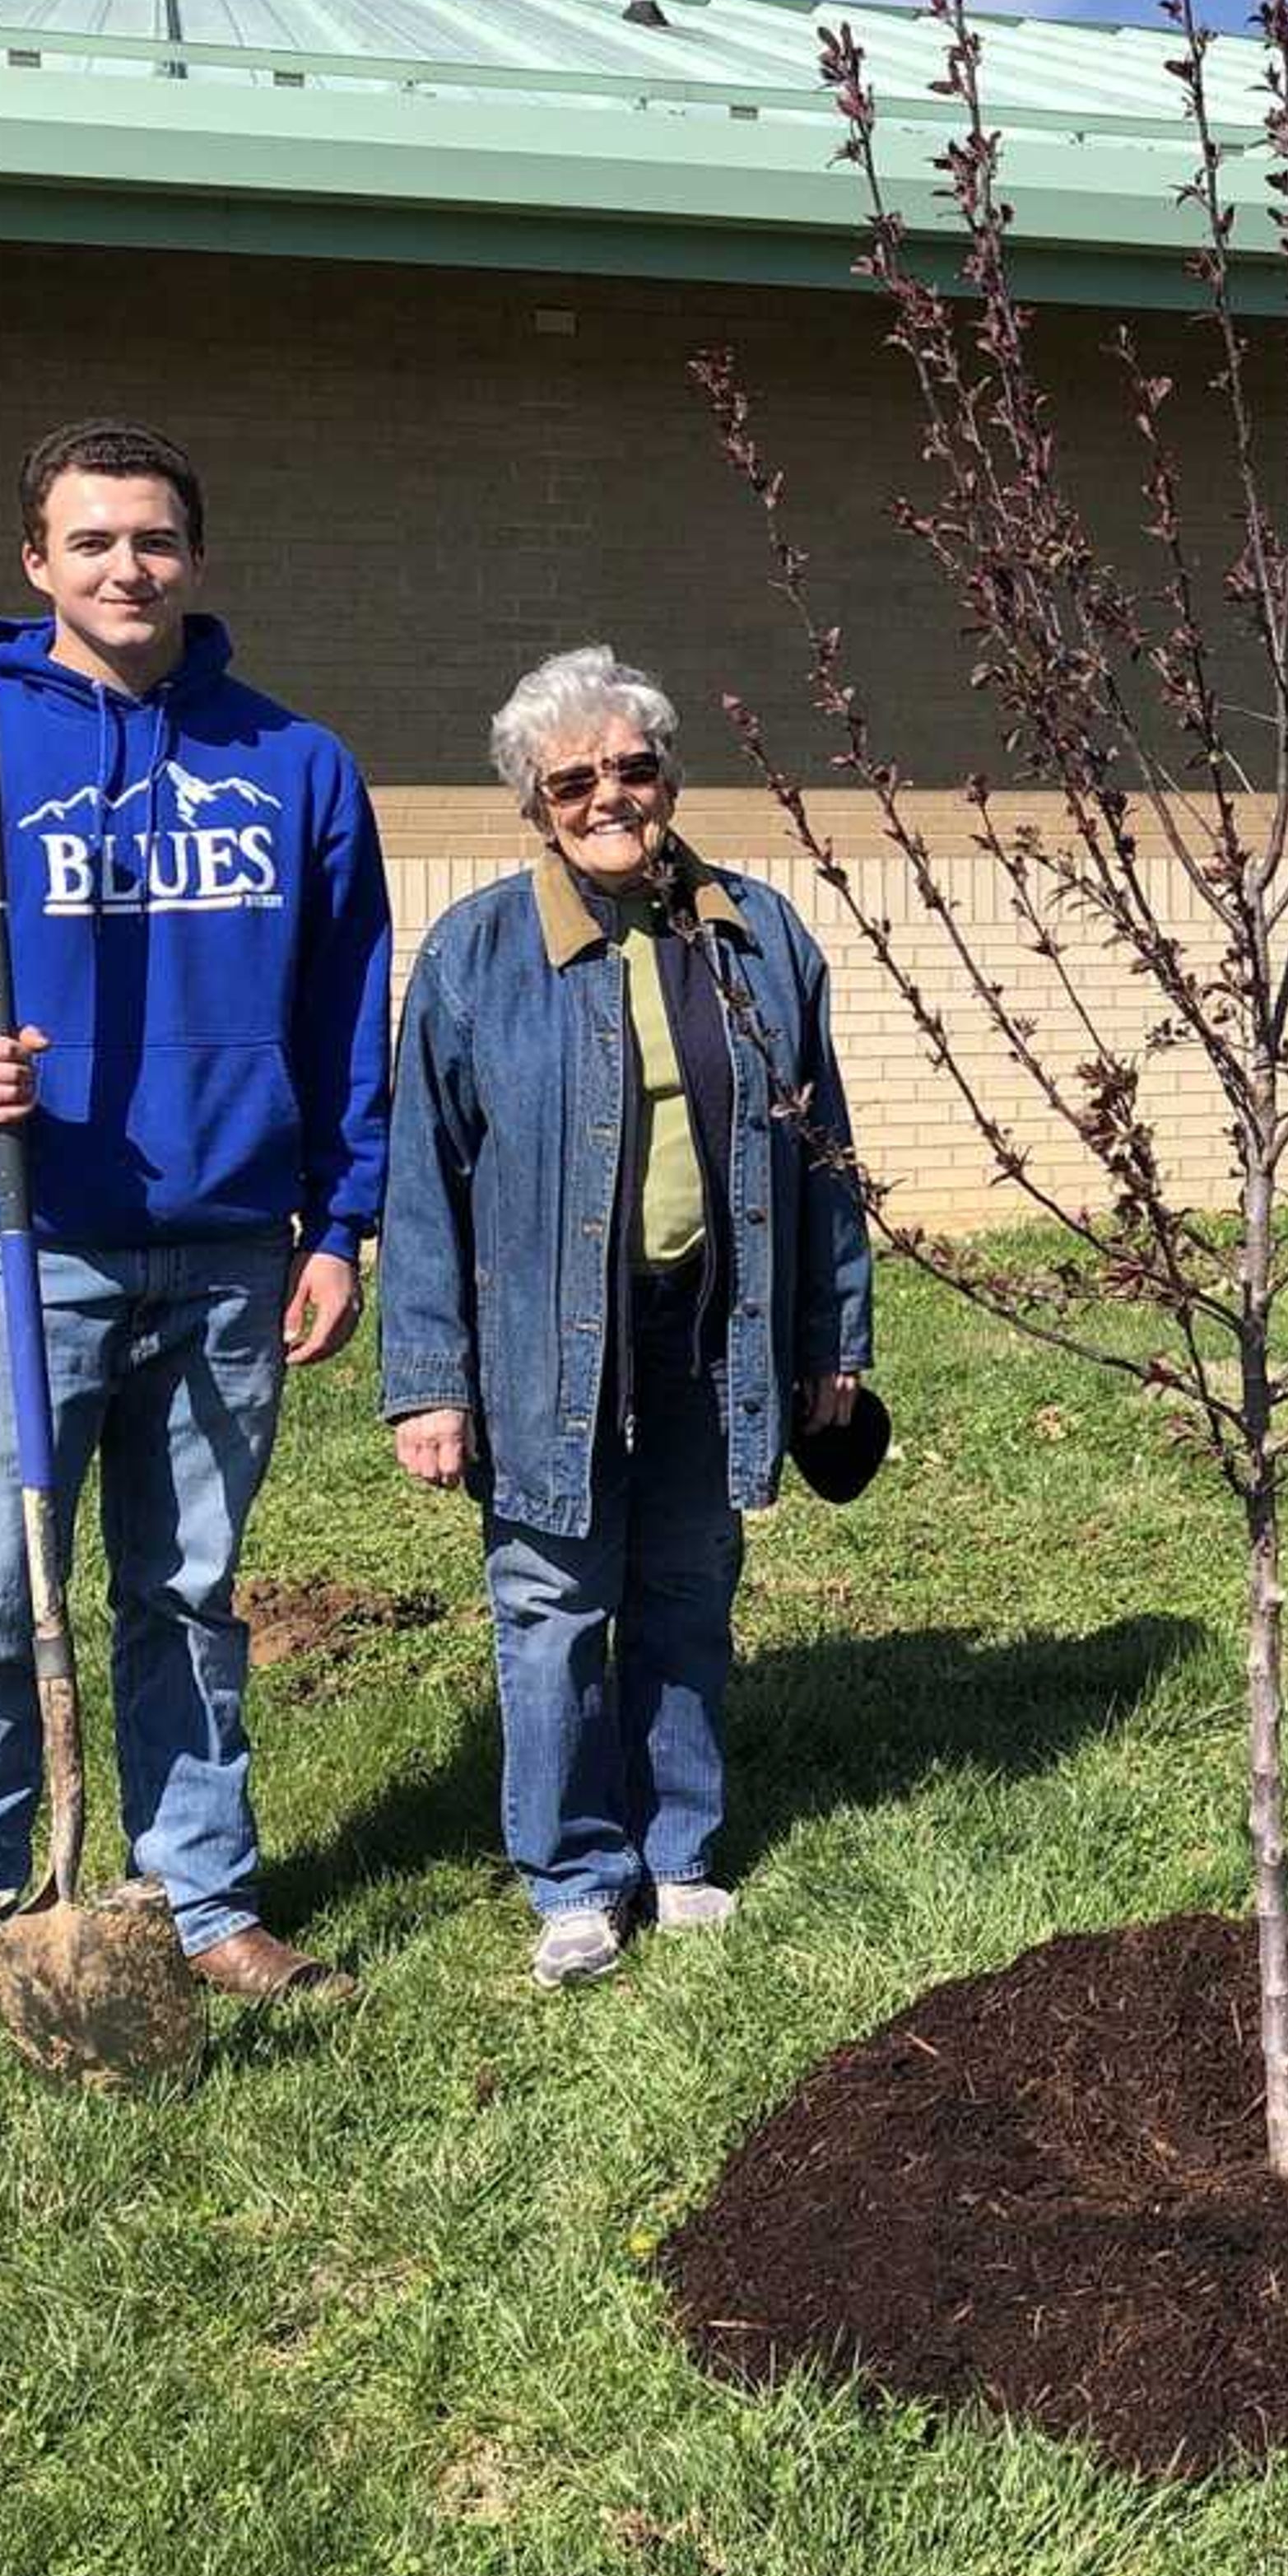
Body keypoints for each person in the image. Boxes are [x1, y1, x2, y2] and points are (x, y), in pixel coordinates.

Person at [0, 419, 391, 2088]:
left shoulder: (295, 764)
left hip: (223, 1251)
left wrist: (339, 1220)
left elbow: (347, 1013)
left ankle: (204, 1902)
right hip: (21, 1250)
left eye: (155, 538)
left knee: (188, 1596)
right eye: (94, 541)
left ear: (195, 557)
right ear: (38, 566)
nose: (128, 566)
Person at [377, 648, 874, 1989]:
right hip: (544, 1344)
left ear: (668, 774)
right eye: (574, 778)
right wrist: (429, 1376)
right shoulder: (478, 953)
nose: (610, 795)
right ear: (536, 804)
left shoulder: (761, 936)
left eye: (633, 766)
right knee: (548, 1603)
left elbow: (824, 1149)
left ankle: (683, 1851)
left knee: (686, 1586)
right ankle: (576, 1877)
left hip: (716, 1328)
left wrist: (833, 1338)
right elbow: (422, 1176)